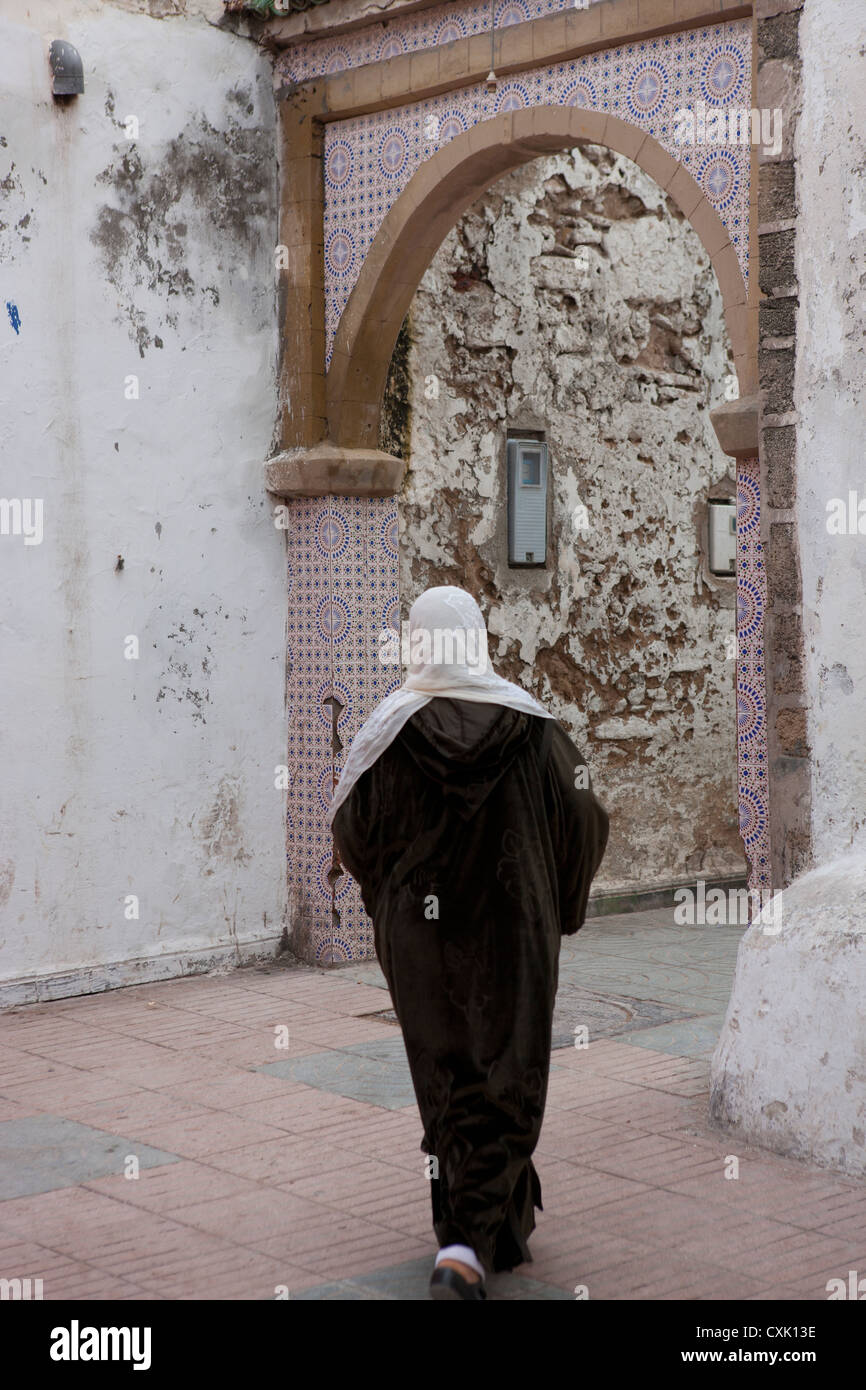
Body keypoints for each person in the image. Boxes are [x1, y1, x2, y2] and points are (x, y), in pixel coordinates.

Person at [330, 585, 609, 1300]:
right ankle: (467, 1245)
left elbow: (354, 834)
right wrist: (561, 905)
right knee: (511, 1073)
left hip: (421, 941)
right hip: (514, 930)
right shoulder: (535, 728)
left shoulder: (389, 730)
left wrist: (388, 902)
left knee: (447, 1076)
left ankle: (484, 1233)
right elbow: (583, 817)